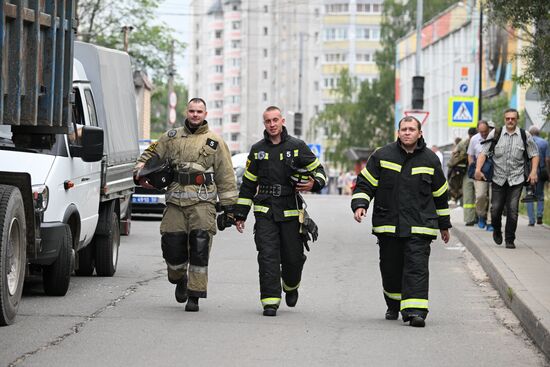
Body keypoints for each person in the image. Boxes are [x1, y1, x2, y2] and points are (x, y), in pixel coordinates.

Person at [134, 98, 238, 311]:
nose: (195, 115)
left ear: (205, 113)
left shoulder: (215, 142)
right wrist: (139, 173)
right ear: (186, 111)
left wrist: (229, 209)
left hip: (203, 202)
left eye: (199, 111)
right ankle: (178, 278)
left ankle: (194, 295)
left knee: (200, 248)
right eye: (192, 110)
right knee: (172, 248)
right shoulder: (170, 137)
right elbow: (148, 156)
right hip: (175, 201)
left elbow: (226, 176)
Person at [352, 116, 451, 328]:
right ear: (398, 133)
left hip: (420, 226)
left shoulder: (431, 160)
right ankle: (393, 304)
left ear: (420, 133)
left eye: (411, 129)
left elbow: (441, 194)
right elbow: (365, 183)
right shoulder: (382, 155)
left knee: (417, 267)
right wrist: (360, 204)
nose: (407, 132)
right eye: (403, 129)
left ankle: (415, 312)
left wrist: (444, 225)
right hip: (388, 225)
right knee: (390, 268)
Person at [234, 106, 326, 317]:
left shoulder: (297, 146)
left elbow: (319, 170)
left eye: (276, 120)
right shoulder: (257, 150)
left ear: (282, 121)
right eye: (268, 121)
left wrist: (314, 184)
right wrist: (240, 214)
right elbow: (248, 184)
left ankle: (291, 285)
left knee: (293, 258)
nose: (272, 124)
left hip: (291, 212)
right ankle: (270, 301)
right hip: (265, 212)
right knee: (267, 256)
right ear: (264, 123)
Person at [475, 108, 539, 249]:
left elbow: (534, 154)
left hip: (516, 179)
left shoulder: (525, 135)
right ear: (504, 119)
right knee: (496, 209)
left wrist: (533, 172)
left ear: (517, 120)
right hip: (498, 178)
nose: (510, 121)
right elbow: (483, 153)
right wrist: (478, 169)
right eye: (508, 118)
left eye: (513, 119)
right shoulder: (496, 133)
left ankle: (510, 239)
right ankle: (497, 230)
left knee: (513, 210)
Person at [467, 120, 493, 230]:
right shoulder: (474, 139)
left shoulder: (493, 137)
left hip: (493, 170)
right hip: (479, 171)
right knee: (480, 196)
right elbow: (470, 155)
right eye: (481, 132)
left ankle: (490, 222)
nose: (483, 134)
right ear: (478, 130)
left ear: (488, 129)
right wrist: (473, 170)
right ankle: (481, 215)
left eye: (485, 131)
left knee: (493, 198)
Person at [448, 127, 477, 224]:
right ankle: (469, 219)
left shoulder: (481, 141)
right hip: (466, 173)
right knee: (468, 196)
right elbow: (453, 156)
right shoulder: (463, 144)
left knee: (479, 196)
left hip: (479, 172)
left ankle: (479, 217)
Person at [526, 126, 549, 225]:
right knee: (540, 195)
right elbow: (548, 159)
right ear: (538, 133)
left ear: (530, 133)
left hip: (528, 173)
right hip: (540, 172)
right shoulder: (544, 142)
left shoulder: (526, 142)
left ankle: (531, 220)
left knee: (529, 195)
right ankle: (539, 215)